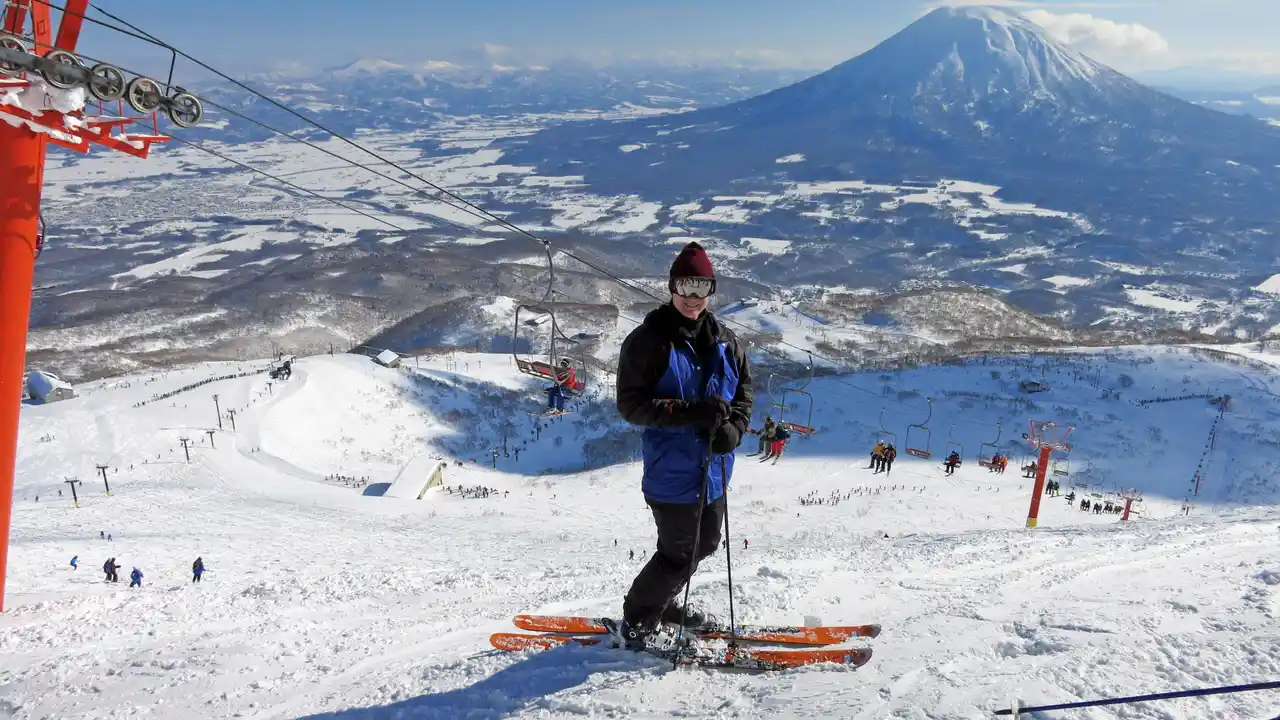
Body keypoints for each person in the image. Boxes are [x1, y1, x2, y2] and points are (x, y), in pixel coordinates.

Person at [614, 241, 753, 650]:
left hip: (713, 472)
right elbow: (631, 405)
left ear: (711, 291)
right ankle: (637, 618)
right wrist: (690, 413)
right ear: (671, 287)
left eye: (701, 287)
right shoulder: (649, 342)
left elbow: (744, 391)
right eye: (685, 287)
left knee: (706, 543)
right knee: (677, 552)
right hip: (671, 471)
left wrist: (736, 429)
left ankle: (665, 603)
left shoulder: (726, 340)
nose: (693, 297)